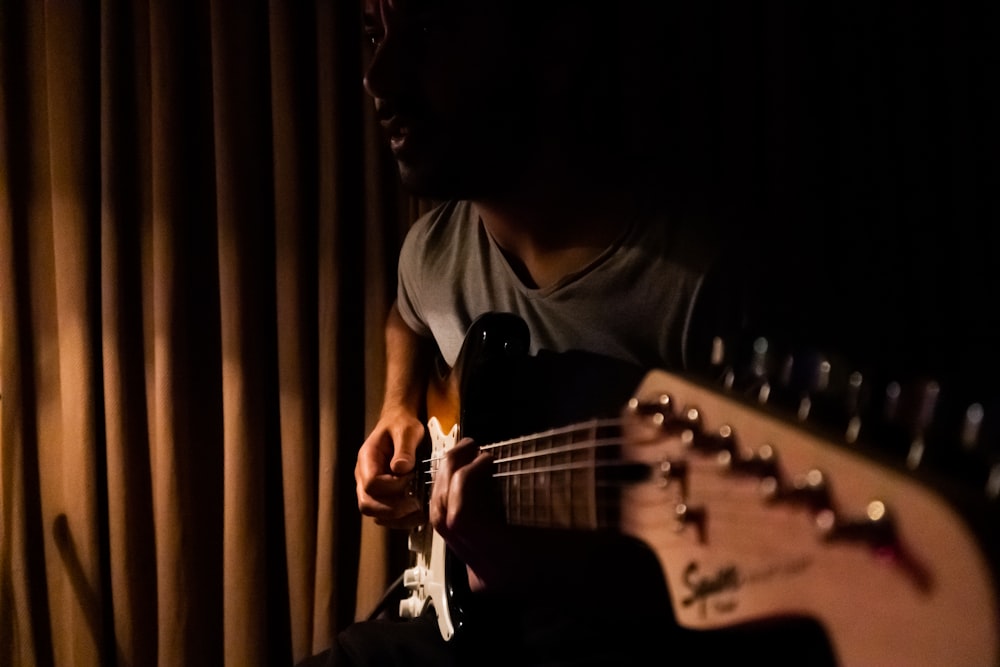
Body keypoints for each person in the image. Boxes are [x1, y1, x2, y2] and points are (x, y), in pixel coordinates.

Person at [301, 1, 836, 665]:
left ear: (555, 47)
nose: (378, 79)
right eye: (373, 34)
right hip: (456, 624)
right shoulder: (431, 251)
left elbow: (761, 586)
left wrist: (517, 562)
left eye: (431, 29)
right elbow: (406, 316)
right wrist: (397, 409)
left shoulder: (706, 285)